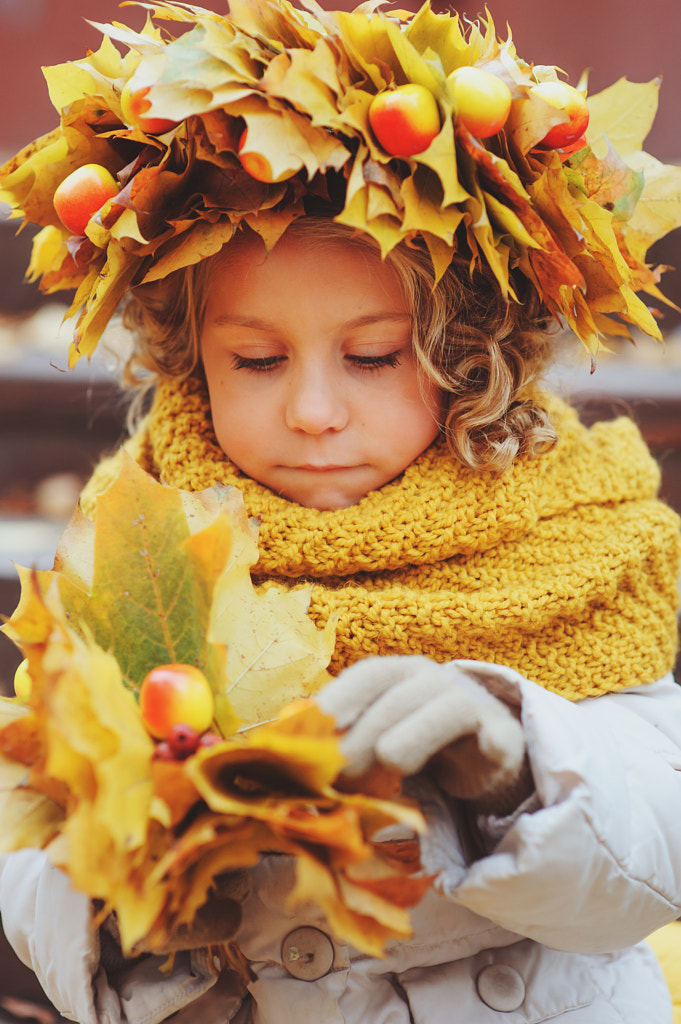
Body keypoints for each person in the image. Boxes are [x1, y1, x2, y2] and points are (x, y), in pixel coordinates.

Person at [1, 1, 681, 1021]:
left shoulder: (573, 538)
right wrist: (133, 911)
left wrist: (517, 761)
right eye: (257, 360)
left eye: (372, 357)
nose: (314, 412)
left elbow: (658, 838)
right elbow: (32, 820)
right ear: (190, 362)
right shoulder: (144, 543)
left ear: (470, 356)